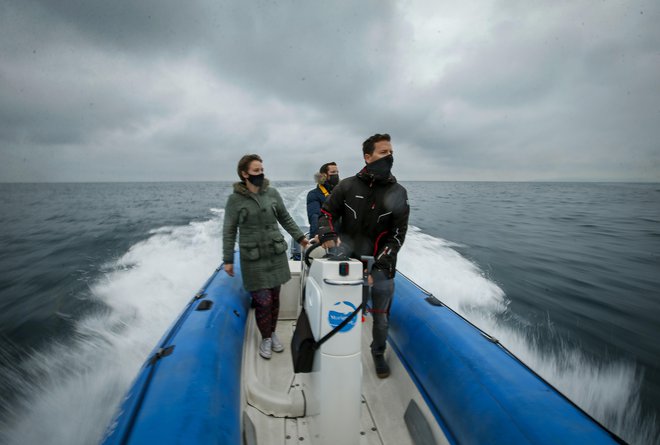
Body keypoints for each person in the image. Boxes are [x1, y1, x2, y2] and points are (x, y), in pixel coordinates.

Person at [318, 134, 409, 378]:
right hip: (347, 267)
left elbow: (398, 236)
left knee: (380, 321)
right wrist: (327, 234)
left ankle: (378, 352)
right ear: (368, 157)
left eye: (391, 152)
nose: (389, 156)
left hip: (381, 270)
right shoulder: (346, 186)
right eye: (383, 152)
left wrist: (378, 267)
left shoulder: (399, 192)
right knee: (341, 314)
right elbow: (326, 213)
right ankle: (338, 352)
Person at [223, 154, 309, 359]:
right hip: (253, 259)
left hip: (275, 254)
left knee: (275, 299)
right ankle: (266, 338)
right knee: (263, 302)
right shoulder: (235, 200)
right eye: (255, 171)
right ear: (244, 174)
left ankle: (271, 333)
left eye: (261, 170)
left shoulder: (272, 193)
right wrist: (227, 259)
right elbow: (229, 230)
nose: (260, 174)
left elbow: (285, 218)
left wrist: (301, 239)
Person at [306, 162, 339, 239]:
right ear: (324, 175)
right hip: (326, 236)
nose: (336, 175)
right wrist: (317, 237)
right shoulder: (313, 194)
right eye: (333, 172)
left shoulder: (341, 192)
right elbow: (315, 217)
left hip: (343, 238)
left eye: (337, 172)